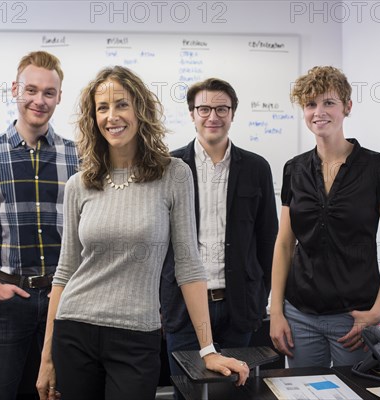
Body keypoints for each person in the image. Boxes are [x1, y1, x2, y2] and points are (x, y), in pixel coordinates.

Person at [35, 66, 249, 400]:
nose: (111, 116)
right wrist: (47, 356)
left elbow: (189, 266)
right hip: (75, 330)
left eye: (121, 104)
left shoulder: (174, 175)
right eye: (102, 108)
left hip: (137, 335)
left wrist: (207, 347)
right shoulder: (80, 183)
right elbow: (65, 272)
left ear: (140, 110)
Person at [0, 51, 78, 400]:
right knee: (1, 392)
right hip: (8, 302)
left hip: (64, 301)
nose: (39, 100)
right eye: (31, 90)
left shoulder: (78, 157)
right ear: (15, 90)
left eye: (49, 93)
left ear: (59, 98)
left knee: (58, 392)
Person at [269, 66, 380, 368]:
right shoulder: (294, 169)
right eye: (310, 104)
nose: (319, 112)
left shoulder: (379, 168)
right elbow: (283, 245)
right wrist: (276, 311)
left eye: (328, 102)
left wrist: (378, 311)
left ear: (347, 107)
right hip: (299, 316)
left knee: (358, 393)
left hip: (355, 319)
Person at [160, 78, 278, 385]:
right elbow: (156, 240)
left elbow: (268, 239)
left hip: (239, 307)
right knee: (186, 390)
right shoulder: (169, 167)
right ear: (192, 113)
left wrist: (261, 296)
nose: (213, 117)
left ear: (233, 113)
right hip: (183, 308)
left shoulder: (256, 168)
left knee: (237, 391)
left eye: (222, 109)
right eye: (204, 109)